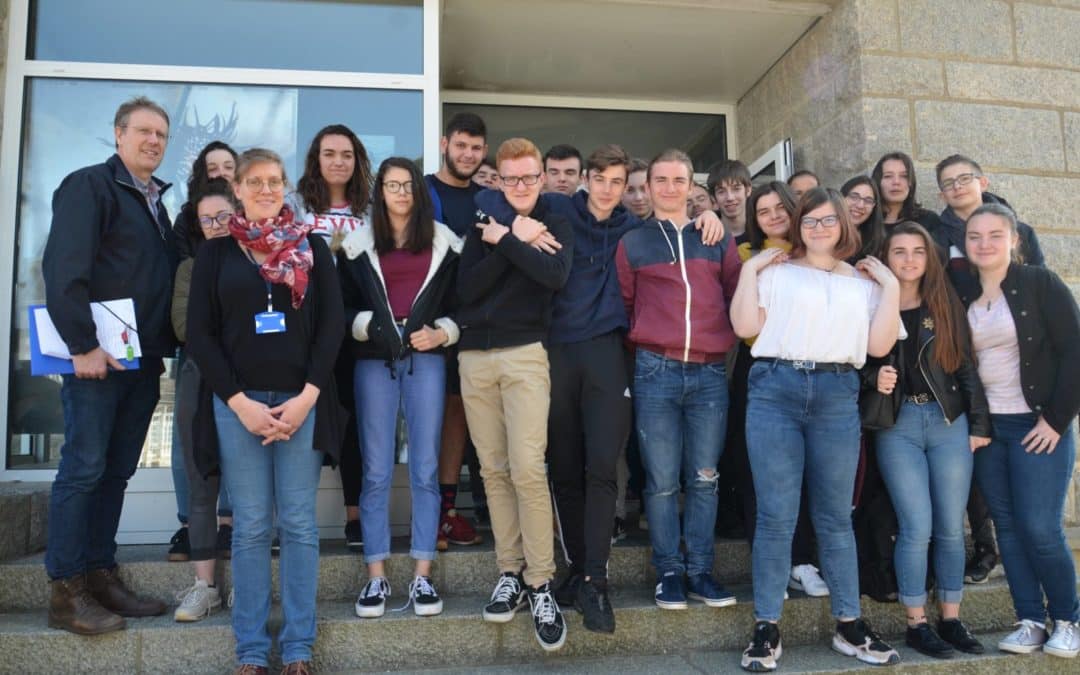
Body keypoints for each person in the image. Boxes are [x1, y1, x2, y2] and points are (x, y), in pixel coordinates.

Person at [545, 145, 724, 633]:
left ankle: (596, 582)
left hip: (607, 355)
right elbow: (504, 203)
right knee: (563, 469)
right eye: (598, 179)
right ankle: (576, 569)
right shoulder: (559, 208)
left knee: (604, 467)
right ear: (585, 179)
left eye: (616, 182)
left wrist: (712, 216)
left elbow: (653, 270)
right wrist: (513, 226)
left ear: (627, 188)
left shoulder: (632, 230)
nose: (607, 189)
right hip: (556, 352)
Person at [186, 148, 345, 673]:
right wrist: (239, 404)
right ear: (238, 188)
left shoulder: (312, 248)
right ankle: (251, 651)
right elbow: (201, 337)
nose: (266, 190)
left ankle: (298, 647)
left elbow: (331, 329)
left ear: (285, 188)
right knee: (252, 526)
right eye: (255, 181)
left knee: (298, 524)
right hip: (239, 407)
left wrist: (307, 399)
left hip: (300, 404)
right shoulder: (215, 254)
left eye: (275, 181)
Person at [730, 187, 903, 671]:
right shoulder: (776, 271)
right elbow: (744, 323)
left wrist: (889, 288)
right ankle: (766, 627)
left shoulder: (863, 281)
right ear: (798, 225)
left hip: (835, 392)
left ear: (843, 224)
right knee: (776, 516)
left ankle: (850, 625)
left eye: (829, 220)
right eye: (810, 221)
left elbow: (879, 344)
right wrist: (749, 269)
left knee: (834, 516)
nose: (820, 228)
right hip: (774, 389)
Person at [42, 96, 176, 635]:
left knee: (117, 472)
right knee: (84, 469)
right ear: (118, 134)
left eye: (161, 135)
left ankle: (100, 575)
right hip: (94, 361)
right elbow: (63, 269)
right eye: (143, 131)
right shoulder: (89, 186)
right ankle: (66, 590)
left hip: (138, 364)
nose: (152, 142)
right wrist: (80, 346)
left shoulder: (155, 202)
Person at [457, 137, 573, 652]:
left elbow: (553, 276)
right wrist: (509, 239)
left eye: (530, 177)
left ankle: (540, 582)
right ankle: (509, 571)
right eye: (511, 179)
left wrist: (507, 240)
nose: (521, 186)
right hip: (474, 358)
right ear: (498, 180)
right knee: (492, 470)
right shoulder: (482, 219)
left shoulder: (558, 218)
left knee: (527, 466)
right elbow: (467, 290)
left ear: (542, 178)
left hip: (527, 353)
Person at [615, 149, 741, 613]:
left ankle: (701, 571)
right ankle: (668, 569)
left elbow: (735, 294)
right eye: (660, 180)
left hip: (708, 372)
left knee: (705, 478)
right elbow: (625, 305)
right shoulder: (633, 243)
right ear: (647, 187)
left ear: (692, 187)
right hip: (656, 370)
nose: (669, 188)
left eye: (679, 180)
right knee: (663, 481)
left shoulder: (717, 237)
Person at [955, 203, 1080, 658]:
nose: (984, 244)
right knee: (1006, 528)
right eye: (974, 236)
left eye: (994, 235)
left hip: (1037, 423)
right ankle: (1029, 619)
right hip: (991, 430)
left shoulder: (1039, 284)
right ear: (965, 244)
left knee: (1040, 527)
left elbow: (1074, 352)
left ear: (1014, 240)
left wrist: (1057, 420)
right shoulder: (964, 295)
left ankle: (1068, 619)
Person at [340, 157, 461, 619]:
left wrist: (442, 332)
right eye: (392, 185)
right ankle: (376, 579)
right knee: (375, 470)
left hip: (427, 359)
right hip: (375, 363)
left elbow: (461, 305)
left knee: (425, 469)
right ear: (380, 192)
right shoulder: (355, 246)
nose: (401, 193)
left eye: (408, 185)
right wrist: (370, 327)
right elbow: (344, 307)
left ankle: (422, 577)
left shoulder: (447, 245)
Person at [866, 222, 991, 658]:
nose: (909, 260)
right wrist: (871, 375)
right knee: (916, 526)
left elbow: (965, 367)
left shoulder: (944, 303)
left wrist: (978, 424)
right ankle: (917, 622)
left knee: (951, 530)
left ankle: (952, 618)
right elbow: (848, 356)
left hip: (947, 422)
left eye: (918, 251)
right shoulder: (872, 301)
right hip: (898, 426)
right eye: (899, 251)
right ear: (887, 257)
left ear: (929, 257)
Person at [726, 181, 830, 599]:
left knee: (804, 472)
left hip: (812, 368)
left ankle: (803, 561)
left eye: (778, 208)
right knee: (759, 473)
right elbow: (747, 325)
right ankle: (770, 566)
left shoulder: (817, 255)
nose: (772, 216)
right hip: (761, 367)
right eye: (762, 210)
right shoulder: (745, 256)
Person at [292, 123, 373, 552]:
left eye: (346, 154)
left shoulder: (371, 209)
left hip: (359, 331)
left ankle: (356, 516)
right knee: (304, 420)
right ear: (316, 160)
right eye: (329, 154)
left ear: (357, 160)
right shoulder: (296, 206)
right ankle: (293, 518)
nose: (338, 161)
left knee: (355, 423)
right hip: (307, 329)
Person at [170, 179, 239, 622]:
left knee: (251, 488)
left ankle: (248, 585)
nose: (216, 226)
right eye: (207, 220)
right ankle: (204, 587)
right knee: (201, 482)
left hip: (248, 385)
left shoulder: (258, 262)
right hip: (199, 380)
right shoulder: (189, 270)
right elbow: (184, 327)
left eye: (224, 217)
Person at [425, 112, 487, 551]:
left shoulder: (489, 199)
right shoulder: (422, 190)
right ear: (445, 143)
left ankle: (448, 514)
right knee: (430, 420)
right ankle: (431, 515)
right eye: (461, 145)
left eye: (476, 148)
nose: (468, 154)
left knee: (461, 417)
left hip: (477, 323)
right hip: (427, 322)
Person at [935, 154, 1044, 269]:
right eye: (948, 183)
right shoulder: (936, 240)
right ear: (943, 196)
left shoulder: (1022, 232)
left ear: (983, 183)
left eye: (965, 178)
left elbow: (1042, 282)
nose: (957, 186)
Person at [871, 151, 944, 235]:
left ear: (911, 182)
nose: (896, 182)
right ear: (877, 182)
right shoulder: (866, 223)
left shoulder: (929, 220)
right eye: (888, 176)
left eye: (904, 176)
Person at [707, 159, 753, 245]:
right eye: (721, 191)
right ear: (713, 198)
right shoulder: (706, 235)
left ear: (748, 190)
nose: (730, 197)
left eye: (736, 189)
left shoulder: (763, 230)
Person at [841, 176, 885, 263]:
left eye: (868, 200)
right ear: (841, 197)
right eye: (854, 197)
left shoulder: (877, 243)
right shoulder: (825, 233)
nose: (860, 205)